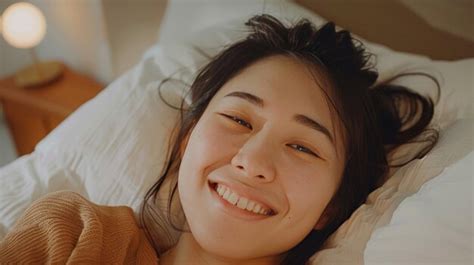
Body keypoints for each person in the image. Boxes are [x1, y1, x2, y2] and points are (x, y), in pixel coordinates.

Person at [0, 14, 438, 265]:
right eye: (238, 119)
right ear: (188, 138)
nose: (252, 159)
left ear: (333, 207)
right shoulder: (77, 235)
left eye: (302, 146)